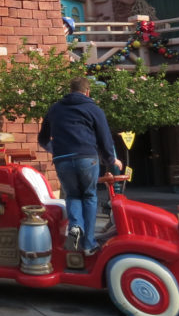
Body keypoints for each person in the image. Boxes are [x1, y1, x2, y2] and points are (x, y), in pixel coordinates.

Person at [37, 77, 122, 256]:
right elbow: (105, 138)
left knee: (73, 196)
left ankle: (76, 233)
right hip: (86, 158)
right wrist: (111, 160)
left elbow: (42, 139)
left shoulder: (55, 109)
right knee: (89, 196)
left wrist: (56, 150)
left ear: (70, 90)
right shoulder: (93, 109)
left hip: (63, 160)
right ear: (87, 91)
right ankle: (89, 244)